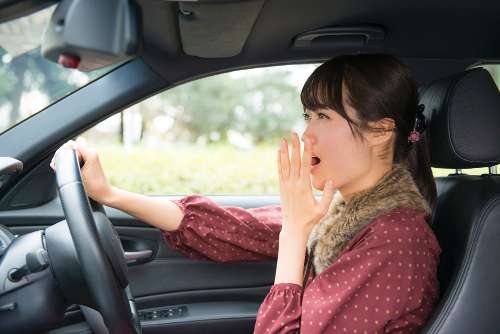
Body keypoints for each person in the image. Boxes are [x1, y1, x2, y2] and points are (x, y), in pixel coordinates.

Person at [50, 53, 441, 333]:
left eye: (323, 116)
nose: (307, 134)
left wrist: (293, 235)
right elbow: (237, 229)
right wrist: (112, 194)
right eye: (308, 116)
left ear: (380, 131)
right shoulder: (344, 210)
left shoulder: (396, 240)